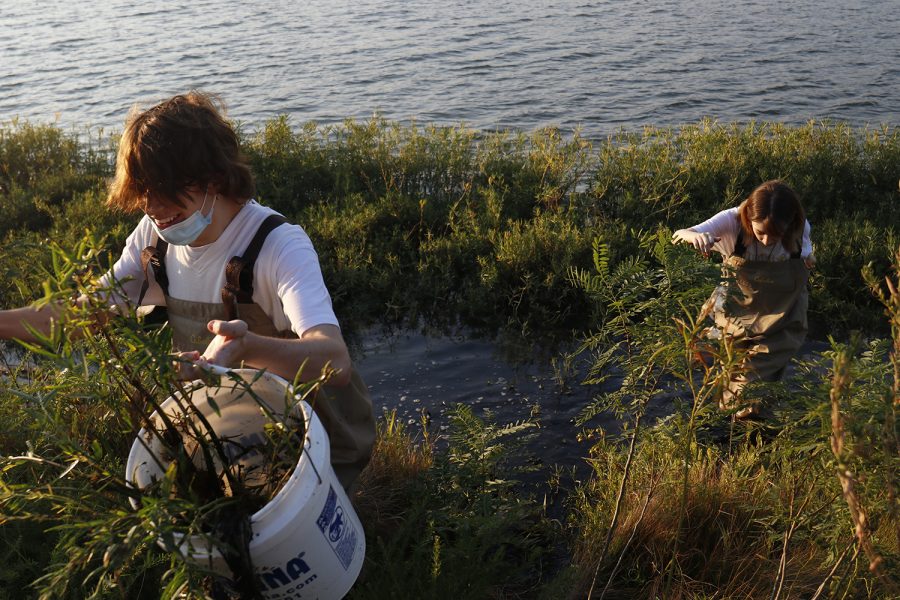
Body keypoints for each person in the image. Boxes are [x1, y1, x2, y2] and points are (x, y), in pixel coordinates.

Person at [0, 91, 375, 490]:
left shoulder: (279, 246)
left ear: (213, 176)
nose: (151, 206)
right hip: (229, 430)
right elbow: (83, 314)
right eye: (141, 190)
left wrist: (248, 349)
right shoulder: (155, 240)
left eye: (163, 189)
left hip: (311, 440)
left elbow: (334, 362)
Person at [672, 180, 814, 419]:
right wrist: (697, 237)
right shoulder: (732, 220)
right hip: (733, 313)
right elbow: (679, 235)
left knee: (753, 378)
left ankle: (740, 427)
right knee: (727, 371)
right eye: (761, 233)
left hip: (782, 316)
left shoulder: (800, 228)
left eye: (777, 235)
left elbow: (805, 260)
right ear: (749, 218)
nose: (768, 241)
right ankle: (741, 431)